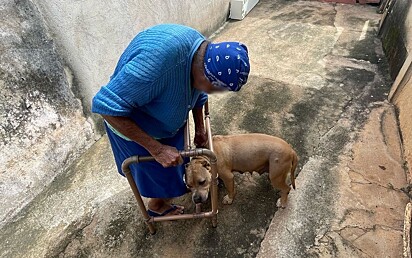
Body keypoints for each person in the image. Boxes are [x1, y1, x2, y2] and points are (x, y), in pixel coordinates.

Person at [92, 24, 250, 217]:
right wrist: (156, 149)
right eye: (215, 89)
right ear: (205, 75)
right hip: (135, 127)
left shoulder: (203, 53)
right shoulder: (154, 67)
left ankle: (164, 194)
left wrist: (200, 127)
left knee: (174, 168)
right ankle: (156, 207)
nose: (213, 94)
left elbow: (199, 91)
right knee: (156, 175)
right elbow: (105, 107)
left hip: (163, 118)